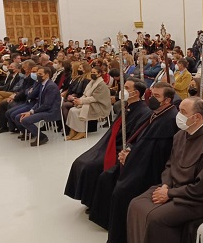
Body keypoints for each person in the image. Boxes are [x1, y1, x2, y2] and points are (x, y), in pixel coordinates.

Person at [128, 97, 203, 243]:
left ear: (196, 117)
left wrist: (170, 193)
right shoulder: (181, 135)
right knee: (135, 204)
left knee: (155, 218)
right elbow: (170, 165)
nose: (178, 115)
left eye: (183, 112)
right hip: (176, 188)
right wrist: (165, 185)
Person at [92, 82, 179, 242]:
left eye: (157, 96)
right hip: (139, 160)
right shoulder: (156, 113)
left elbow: (156, 153)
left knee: (121, 192)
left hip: (150, 169)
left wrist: (130, 158)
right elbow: (141, 138)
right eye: (152, 94)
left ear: (167, 100)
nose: (152, 98)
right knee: (108, 177)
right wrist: (129, 150)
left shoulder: (170, 119)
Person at [64, 78, 151, 212]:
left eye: (127, 88)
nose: (123, 91)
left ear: (136, 93)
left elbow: (133, 136)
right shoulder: (126, 107)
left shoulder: (143, 112)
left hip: (119, 147)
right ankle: (88, 198)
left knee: (91, 166)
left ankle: (95, 201)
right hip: (108, 143)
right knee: (80, 162)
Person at [15, 67, 61, 147]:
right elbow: (39, 101)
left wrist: (32, 112)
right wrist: (31, 111)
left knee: (25, 120)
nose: (37, 76)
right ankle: (32, 133)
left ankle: (42, 137)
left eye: (40, 74)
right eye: (37, 74)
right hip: (43, 109)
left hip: (50, 111)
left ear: (47, 75)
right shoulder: (42, 84)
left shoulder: (51, 86)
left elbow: (47, 105)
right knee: (18, 117)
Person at [65, 66, 111, 140]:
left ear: (99, 74)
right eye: (92, 72)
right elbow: (86, 94)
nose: (92, 74)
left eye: (94, 73)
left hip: (99, 106)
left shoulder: (102, 85)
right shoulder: (92, 82)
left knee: (77, 112)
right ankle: (73, 131)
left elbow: (95, 98)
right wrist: (78, 100)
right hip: (91, 103)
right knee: (72, 110)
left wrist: (81, 101)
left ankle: (82, 131)